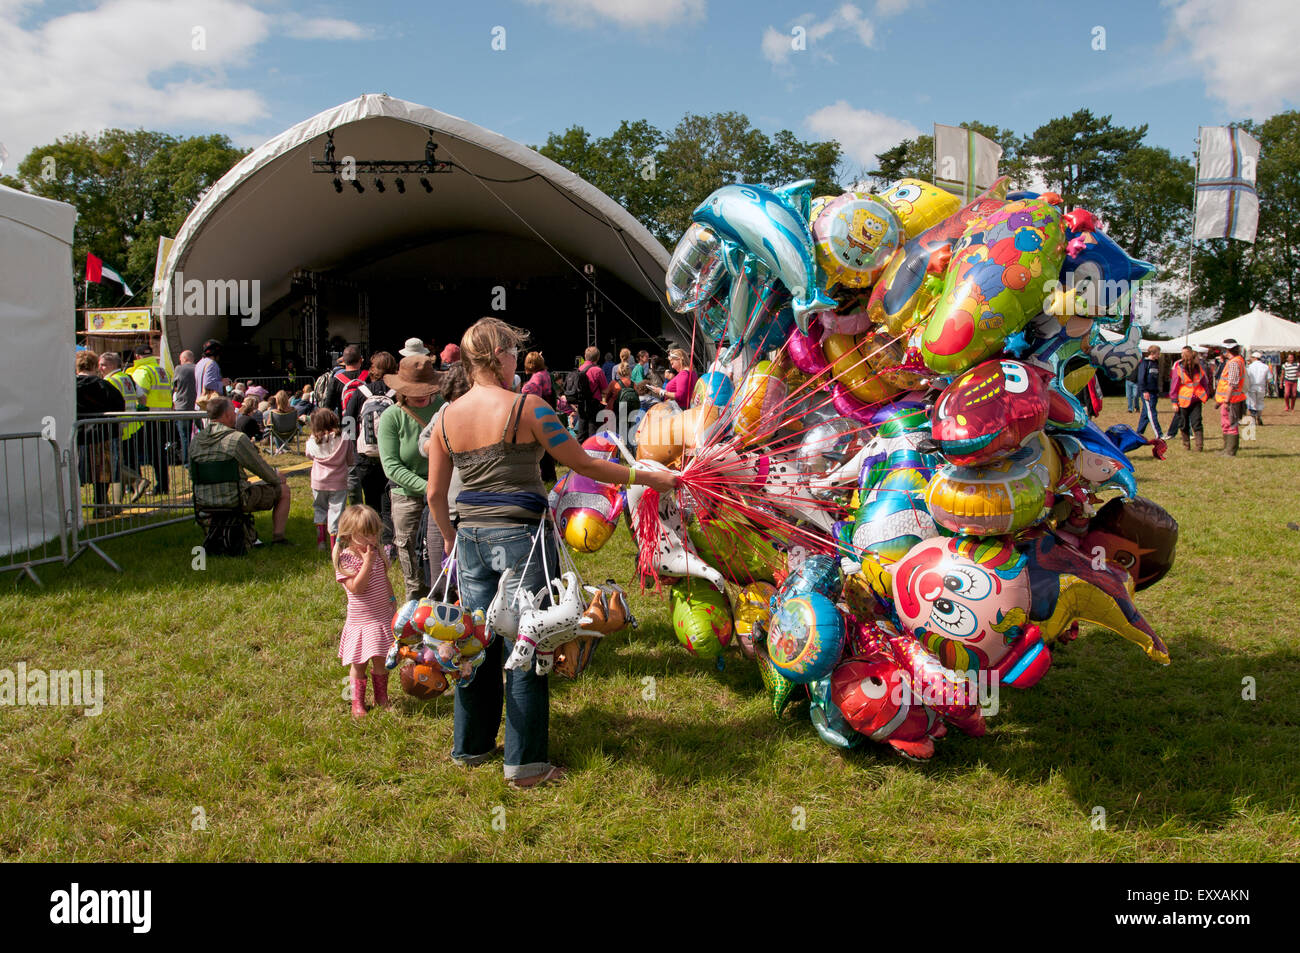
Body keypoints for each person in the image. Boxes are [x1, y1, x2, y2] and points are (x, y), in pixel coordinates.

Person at [426, 317, 678, 789]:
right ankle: (525, 767)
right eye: (511, 352)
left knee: (475, 640)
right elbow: (582, 463)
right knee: (529, 643)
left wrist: (448, 537)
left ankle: (471, 747)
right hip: (521, 540)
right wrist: (651, 477)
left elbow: (436, 495)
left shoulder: (445, 417)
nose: (515, 360)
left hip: (471, 542)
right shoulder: (530, 408)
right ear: (499, 354)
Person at [378, 354, 445, 602]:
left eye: (425, 389)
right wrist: (428, 487)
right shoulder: (391, 417)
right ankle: (414, 624)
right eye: (414, 390)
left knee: (442, 562)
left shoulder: (444, 407)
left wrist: (440, 490)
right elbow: (392, 466)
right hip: (407, 497)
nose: (420, 395)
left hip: (443, 495)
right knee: (413, 566)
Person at [189, 397, 292, 543]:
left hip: (203, 499)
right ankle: (278, 537)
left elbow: (192, 475)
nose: (236, 415)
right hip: (235, 498)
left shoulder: (196, 441)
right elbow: (260, 468)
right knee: (284, 491)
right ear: (226, 415)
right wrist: (276, 478)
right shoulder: (236, 439)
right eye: (233, 412)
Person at [333, 504, 395, 719]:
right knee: (358, 664)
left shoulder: (376, 553)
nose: (371, 539)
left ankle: (382, 698)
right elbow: (357, 588)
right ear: (350, 535)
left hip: (380, 617)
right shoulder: (347, 559)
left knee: (380, 660)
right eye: (365, 534)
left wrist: (392, 598)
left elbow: (384, 579)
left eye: (374, 533)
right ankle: (356, 703)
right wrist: (367, 563)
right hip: (361, 622)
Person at [346, 350, 397, 550]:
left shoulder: (360, 392)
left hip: (364, 456)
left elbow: (348, 422)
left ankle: (370, 543)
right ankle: (389, 544)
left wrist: (353, 449)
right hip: (389, 456)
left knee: (370, 500)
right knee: (388, 502)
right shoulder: (397, 394)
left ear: (372, 370)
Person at [75, 349, 125, 517]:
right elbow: (119, 404)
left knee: (75, 472)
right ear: (95, 365)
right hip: (102, 435)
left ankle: (74, 509)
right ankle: (100, 506)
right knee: (102, 475)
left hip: (78, 435)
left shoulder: (70, 387)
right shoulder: (103, 385)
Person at [99, 351, 149, 502]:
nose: (100, 368)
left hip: (118, 426)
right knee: (125, 461)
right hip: (132, 425)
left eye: (103, 365)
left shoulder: (110, 381)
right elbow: (143, 398)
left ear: (112, 365)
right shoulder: (128, 378)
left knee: (115, 463)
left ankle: (126, 492)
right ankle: (126, 492)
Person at [306, 408, 355, 551]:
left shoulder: (312, 440)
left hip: (318, 481)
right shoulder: (344, 437)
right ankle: (335, 546)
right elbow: (350, 459)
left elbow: (309, 455)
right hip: (338, 482)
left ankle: (321, 541)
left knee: (319, 508)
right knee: (336, 511)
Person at [520, 351, 557, 483]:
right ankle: (550, 476)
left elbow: (531, 396)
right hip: (547, 413)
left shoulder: (535, 379)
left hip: (538, 416)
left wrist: (523, 389)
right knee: (547, 448)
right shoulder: (545, 374)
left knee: (540, 449)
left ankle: (544, 476)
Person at [1168, 346, 1209, 451]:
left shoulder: (1199, 369)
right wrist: (1174, 402)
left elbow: (1204, 383)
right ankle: (1186, 445)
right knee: (1183, 423)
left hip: (1196, 400)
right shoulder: (1179, 369)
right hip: (1183, 401)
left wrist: (1206, 395)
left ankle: (1199, 446)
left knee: (1197, 422)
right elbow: (1174, 386)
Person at [1215, 338, 1247, 456]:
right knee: (1226, 424)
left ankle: (1230, 451)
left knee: (1230, 425)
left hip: (1232, 400)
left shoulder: (1234, 363)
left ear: (1227, 350)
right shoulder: (1237, 361)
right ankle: (1226, 449)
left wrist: (1226, 401)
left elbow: (1232, 383)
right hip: (1231, 399)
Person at [570, 346, 608, 441]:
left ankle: (580, 452)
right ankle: (591, 453)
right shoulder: (598, 370)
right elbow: (605, 390)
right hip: (594, 405)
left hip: (582, 404)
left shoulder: (580, 369)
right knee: (593, 433)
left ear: (585, 356)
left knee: (582, 431)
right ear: (598, 357)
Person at [326, 345, 367, 418]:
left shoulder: (336, 380)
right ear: (361, 360)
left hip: (346, 425)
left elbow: (328, 409)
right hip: (367, 424)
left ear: (344, 361)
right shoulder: (369, 377)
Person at [172, 349, 197, 464]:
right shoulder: (198, 368)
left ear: (185, 359)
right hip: (197, 406)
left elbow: (174, 386)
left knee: (184, 435)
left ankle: (187, 461)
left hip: (182, 406)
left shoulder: (179, 369)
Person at [1134, 345, 1164, 439]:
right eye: (1158, 353)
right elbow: (1141, 378)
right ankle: (1159, 434)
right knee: (1152, 413)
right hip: (1147, 392)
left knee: (1145, 414)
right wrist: (1144, 391)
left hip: (1154, 392)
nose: (1159, 355)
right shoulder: (1145, 363)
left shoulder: (1155, 363)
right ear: (1152, 353)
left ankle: (1138, 433)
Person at [193, 340, 223, 409]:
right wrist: (222, 383)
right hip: (208, 406)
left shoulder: (199, 363)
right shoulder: (212, 364)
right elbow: (208, 384)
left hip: (200, 404)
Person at [1246, 352, 1271, 426]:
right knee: (1260, 402)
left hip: (1251, 386)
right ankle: (1259, 417)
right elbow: (1269, 378)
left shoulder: (1249, 367)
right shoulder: (1265, 367)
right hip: (1261, 387)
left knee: (1252, 403)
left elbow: (1246, 377)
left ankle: (1253, 419)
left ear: (1255, 358)